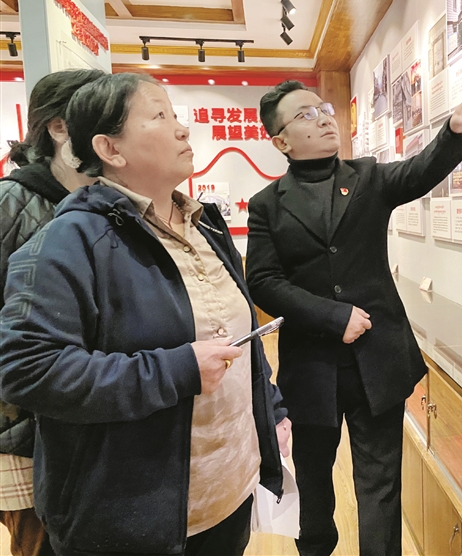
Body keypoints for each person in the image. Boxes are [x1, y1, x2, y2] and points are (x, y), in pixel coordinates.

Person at [0, 72, 290, 556]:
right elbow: (29, 370)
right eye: (159, 116)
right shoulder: (69, 239)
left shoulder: (206, 225)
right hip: (133, 518)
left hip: (228, 494)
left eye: (176, 115)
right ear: (110, 149)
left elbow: (241, 337)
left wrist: (272, 410)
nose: (182, 128)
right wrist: (175, 370)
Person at [246, 80, 462, 556]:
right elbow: (262, 281)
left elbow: (419, 171)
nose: (323, 118)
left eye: (323, 109)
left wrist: (458, 131)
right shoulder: (267, 204)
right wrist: (332, 315)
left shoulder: (367, 177)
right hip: (312, 368)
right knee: (314, 485)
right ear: (280, 141)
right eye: (305, 115)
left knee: (380, 486)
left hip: (378, 361)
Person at [0, 68, 104, 556]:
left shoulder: (107, 201)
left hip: (97, 418)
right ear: (59, 128)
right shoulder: (10, 202)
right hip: (25, 428)